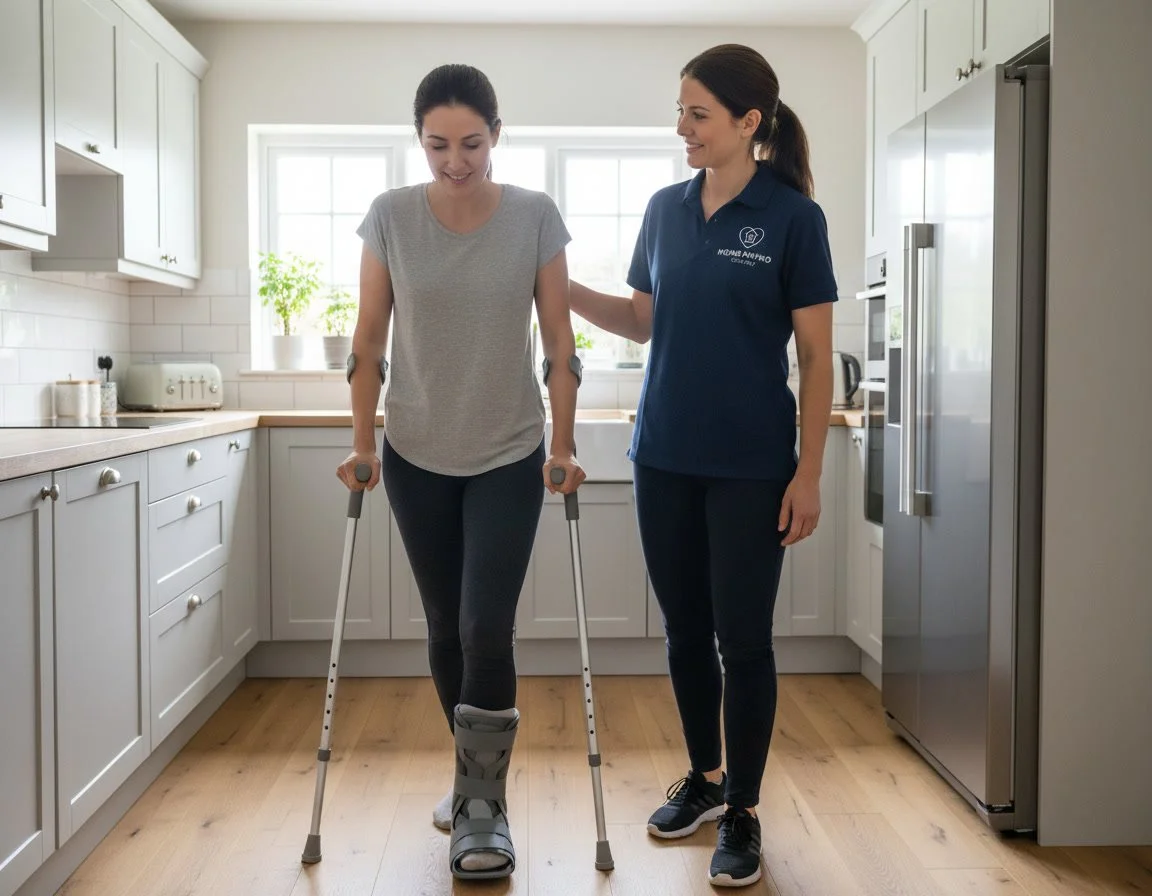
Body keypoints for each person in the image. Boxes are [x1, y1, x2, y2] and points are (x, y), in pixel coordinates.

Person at [568, 44, 837, 888]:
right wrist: (559, 287)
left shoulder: (793, 218)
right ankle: (707, 780)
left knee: (743, 641)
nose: (680, 127)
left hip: (754, 464)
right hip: (664, 457)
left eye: (697, 113)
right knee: (685, 633)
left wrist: (809, 472)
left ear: (748, 123)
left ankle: (747, 812)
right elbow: (644, 320)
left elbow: (818, 358)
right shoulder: (664, 208)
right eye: (679, 110)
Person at [336, 62, 585, 881]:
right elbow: (368, 340)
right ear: (420, 141)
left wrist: (563, 443)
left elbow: (559, 343)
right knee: (444, 626)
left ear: (497, 136)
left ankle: (483, 808)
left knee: (485, 624)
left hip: (511, 451)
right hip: (413, 451)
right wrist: (362, 442)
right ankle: (473, 778)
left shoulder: (535, 217)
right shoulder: (391, 218)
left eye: (471, 144)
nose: (455, 161)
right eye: (438, 145)